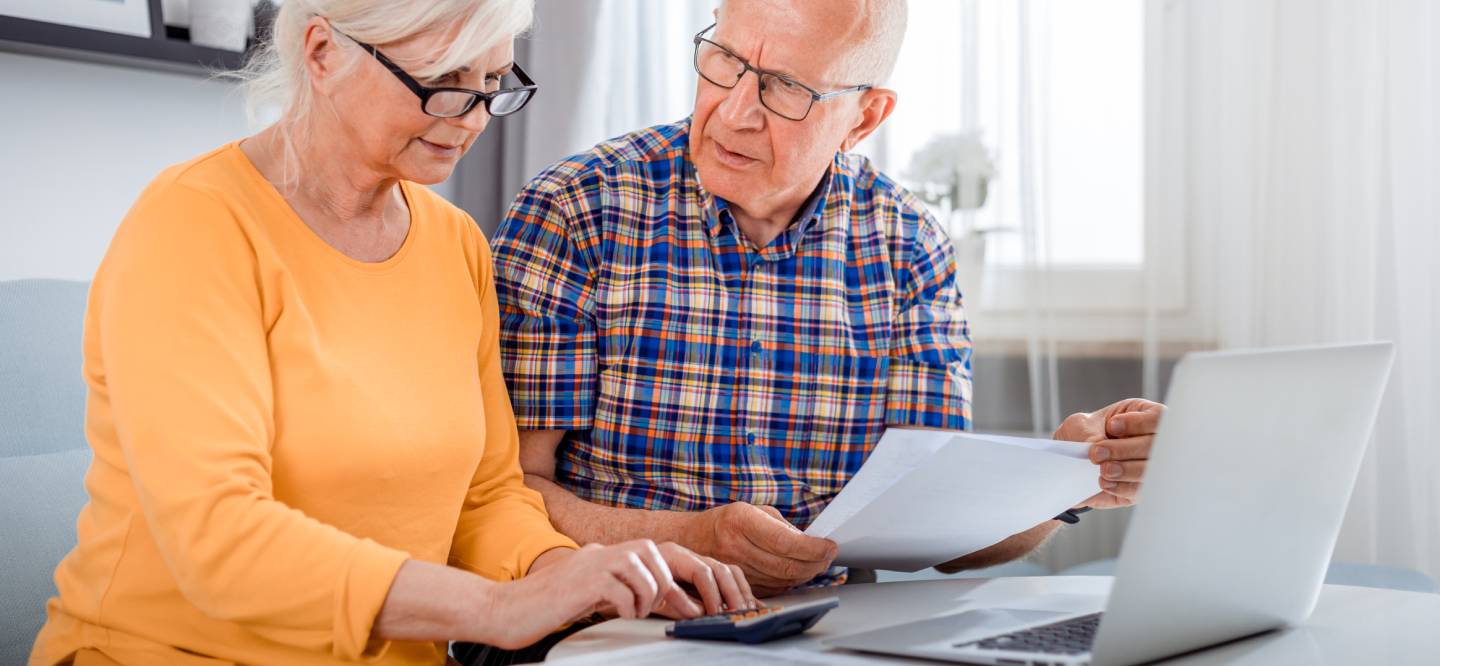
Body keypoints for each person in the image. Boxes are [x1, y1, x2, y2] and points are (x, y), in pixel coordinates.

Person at [29, 2, 754, 664]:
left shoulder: (455, 245)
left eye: (493, 81)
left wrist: (573, 574)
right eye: (444, 79)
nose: (472, 116)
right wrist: (499, 608)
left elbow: (486, 495)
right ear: (322, 52)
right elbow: (216, 538)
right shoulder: (193, 226)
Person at [491, 0, 1166, 598]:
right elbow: (506, 495)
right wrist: (689, 538)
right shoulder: (576, 210)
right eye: (723, 61)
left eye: (785, 87)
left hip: (829, 627)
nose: (735, 111)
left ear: (864, 116)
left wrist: (1071, 472)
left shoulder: (908, 246)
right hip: (620, 619)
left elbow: (940, 531)